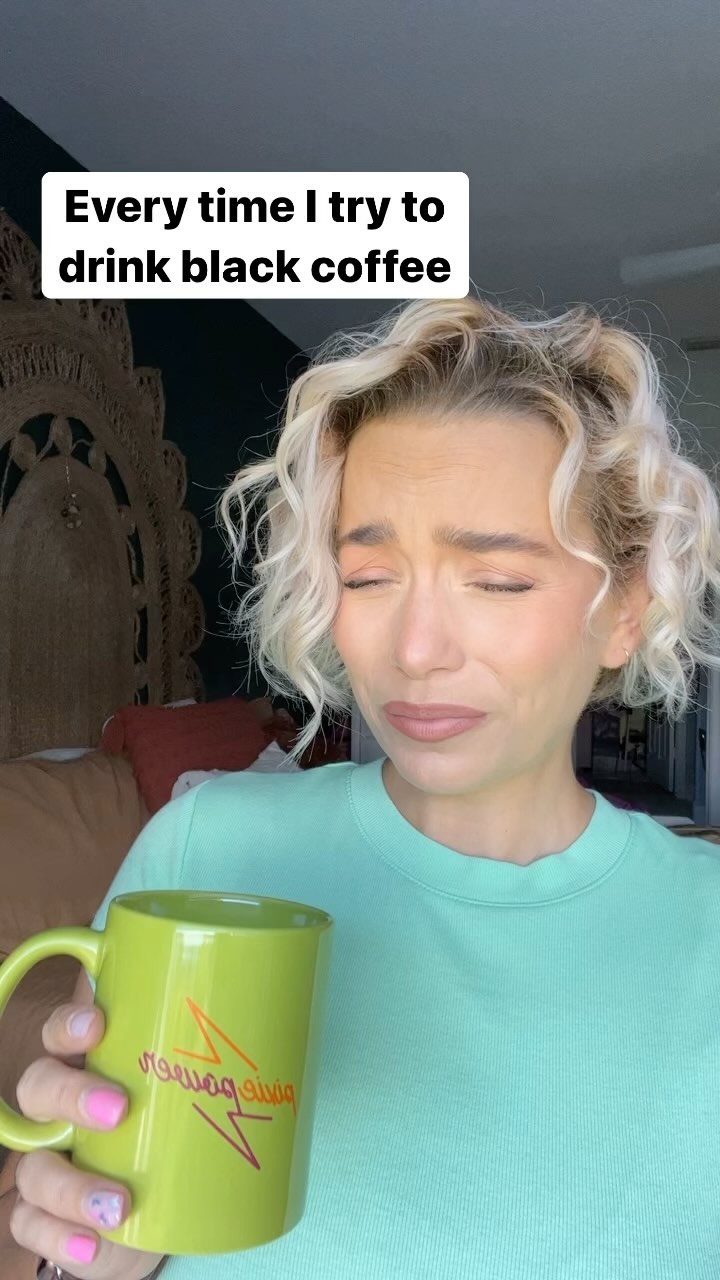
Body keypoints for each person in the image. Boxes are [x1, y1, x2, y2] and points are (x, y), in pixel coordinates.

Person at [5, 294, 720, 1279]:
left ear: (625, 609)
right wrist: (87, 1251)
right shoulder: (207, 848)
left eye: (498, 581)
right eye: (369, 576)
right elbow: (94, 1217)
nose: (414, 650)